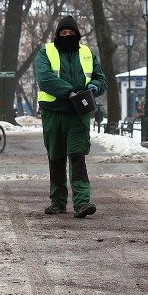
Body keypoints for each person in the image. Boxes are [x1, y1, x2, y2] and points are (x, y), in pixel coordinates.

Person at [34, 15, 107, 218]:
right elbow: (45, 79)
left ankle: (82, 202)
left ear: (77, 34)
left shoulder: (87, 53)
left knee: (77, 156)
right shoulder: (45, 52)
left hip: (78, 114)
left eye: (71, 33)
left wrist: (94, 87)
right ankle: (57, 202)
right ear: (57, 34)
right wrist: (69, 92)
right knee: (56, 157)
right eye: (63, 33)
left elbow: (101, 78)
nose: (67, 35)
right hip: (53, 112)